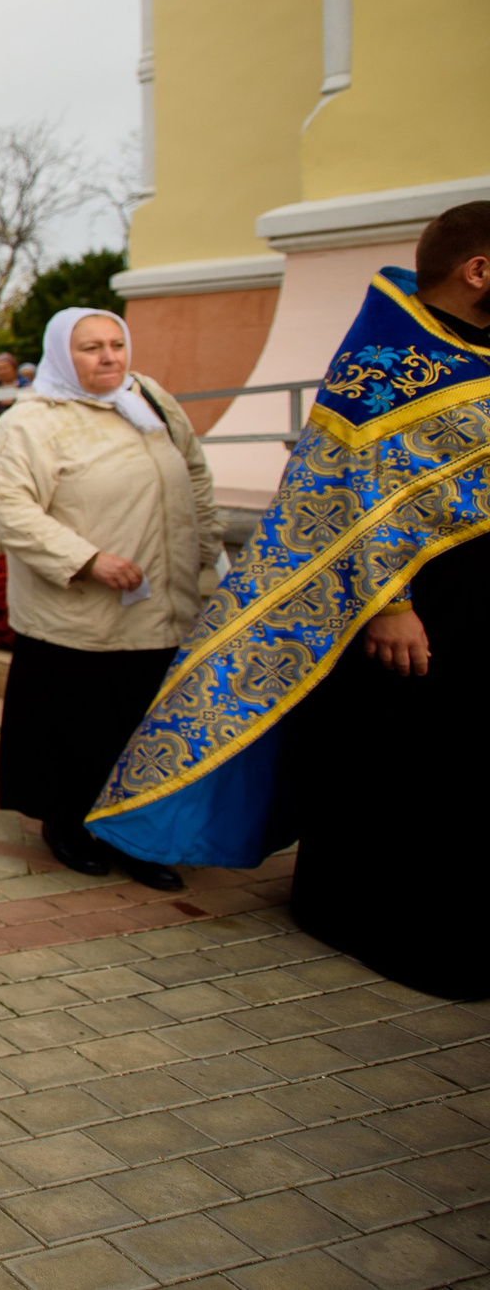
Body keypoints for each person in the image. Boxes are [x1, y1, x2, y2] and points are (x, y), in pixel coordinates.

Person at [92, 203, 490, 999]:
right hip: (411, 610)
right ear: (477, 269)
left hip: (473, 596)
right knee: (410, 766)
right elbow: (348, 490)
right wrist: (389, 604)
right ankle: (382, 918)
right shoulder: (389, 359)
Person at [0, 309, 212, 890]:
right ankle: (69, 825)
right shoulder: (33, 421)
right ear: (62, 355)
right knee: (81, 726)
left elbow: (195, 472)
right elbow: (8, 505)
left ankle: (139, 835)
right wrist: (86, 559)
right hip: (79, 613)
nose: (108, 357)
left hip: (163, 604)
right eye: (90, 348)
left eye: (115, 344)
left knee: (145, 725)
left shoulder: (149, 399)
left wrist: (203, 547)